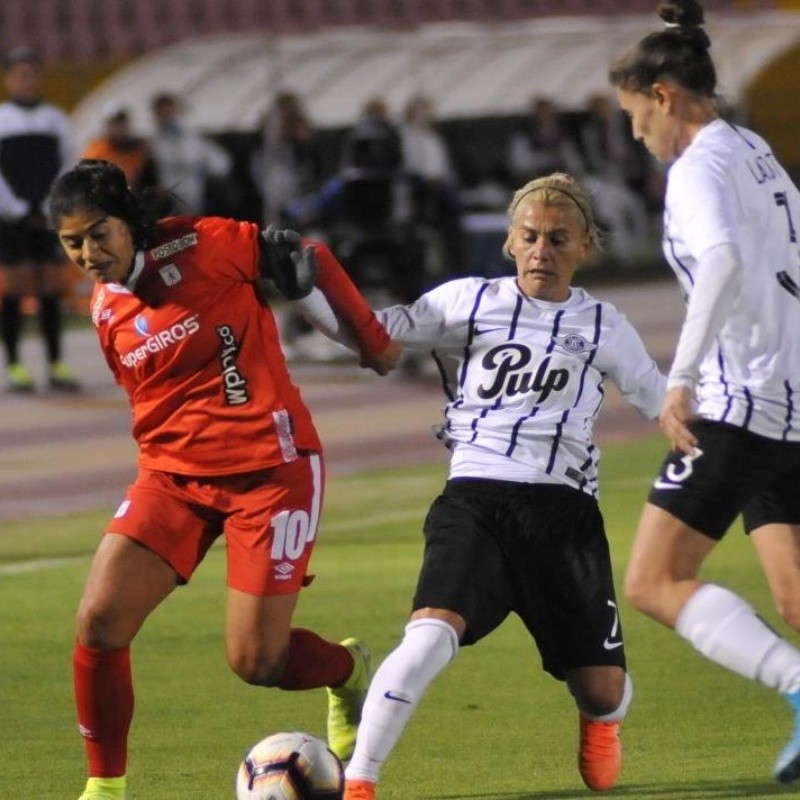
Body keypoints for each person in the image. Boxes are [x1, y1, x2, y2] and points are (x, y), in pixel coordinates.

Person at [280, 172, 666, 798]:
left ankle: (600, 721)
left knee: (602, 689)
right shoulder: (465, 301)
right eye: (531, 236)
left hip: (563, 515)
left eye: (559, 239)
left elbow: (661, 402)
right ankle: (361, 782)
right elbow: (369, 330)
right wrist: (303, 293)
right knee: (429, 633)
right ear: (511, 243)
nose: (543, 250)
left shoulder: (606, 326)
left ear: (585, 247)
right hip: (475, 498)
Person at [47, 159, 399, 800]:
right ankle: (104, 786)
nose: (90, 253)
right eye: (73, 243)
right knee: (98, 621)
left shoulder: (202, 243)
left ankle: (349, 673)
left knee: (256, 662)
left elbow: (304, 253)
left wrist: (373, 341)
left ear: (127, 221)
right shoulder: (103, 308)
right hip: (172, 477)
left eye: (99, 233)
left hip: (272, 470)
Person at [609, 0, 800, 784]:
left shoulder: (698, 168)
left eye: (631, 114)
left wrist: (680, 379)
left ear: (663, 95)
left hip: (739, 402)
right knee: (794, 600)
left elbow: (718, 263)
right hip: (789, 400)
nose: (633, 135)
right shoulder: (756, 150)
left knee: (654, 580)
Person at [0, 46, 79, 392]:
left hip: (47, 214)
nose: (27, 81)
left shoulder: (55, 118)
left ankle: (56, 363)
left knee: (50, 285)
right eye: (20, 75)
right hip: (11, 216)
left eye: (32, 74)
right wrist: (13, 207)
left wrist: (52, 204)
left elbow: (68, 163)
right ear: (8, 79)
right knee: (15, 287)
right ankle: (15, 365)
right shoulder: (2, 118)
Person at [149, 92, 232, 214]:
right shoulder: (154, 140)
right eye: (161, 111)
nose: (165, 114)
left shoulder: (190, 134)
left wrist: (210, 178)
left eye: (168, 109)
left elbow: (219, 162)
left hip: (195, 190)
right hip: (170, 197)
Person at [81, 105, 158, 192]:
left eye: (122, 122)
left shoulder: (140, 148)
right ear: (107, 126)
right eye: (115, 124)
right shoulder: (96, 149)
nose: (119, 128)